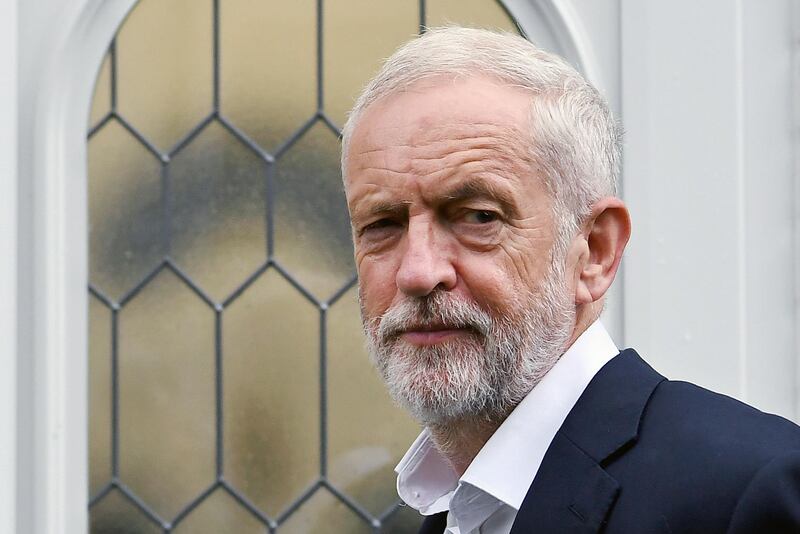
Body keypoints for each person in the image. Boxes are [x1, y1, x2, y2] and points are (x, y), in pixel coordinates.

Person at [340, 26, 800, 533]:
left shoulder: (751, 495)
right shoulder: (457, 508)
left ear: (595, 251)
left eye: (477, 216)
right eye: (382, 225)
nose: (418, 272)